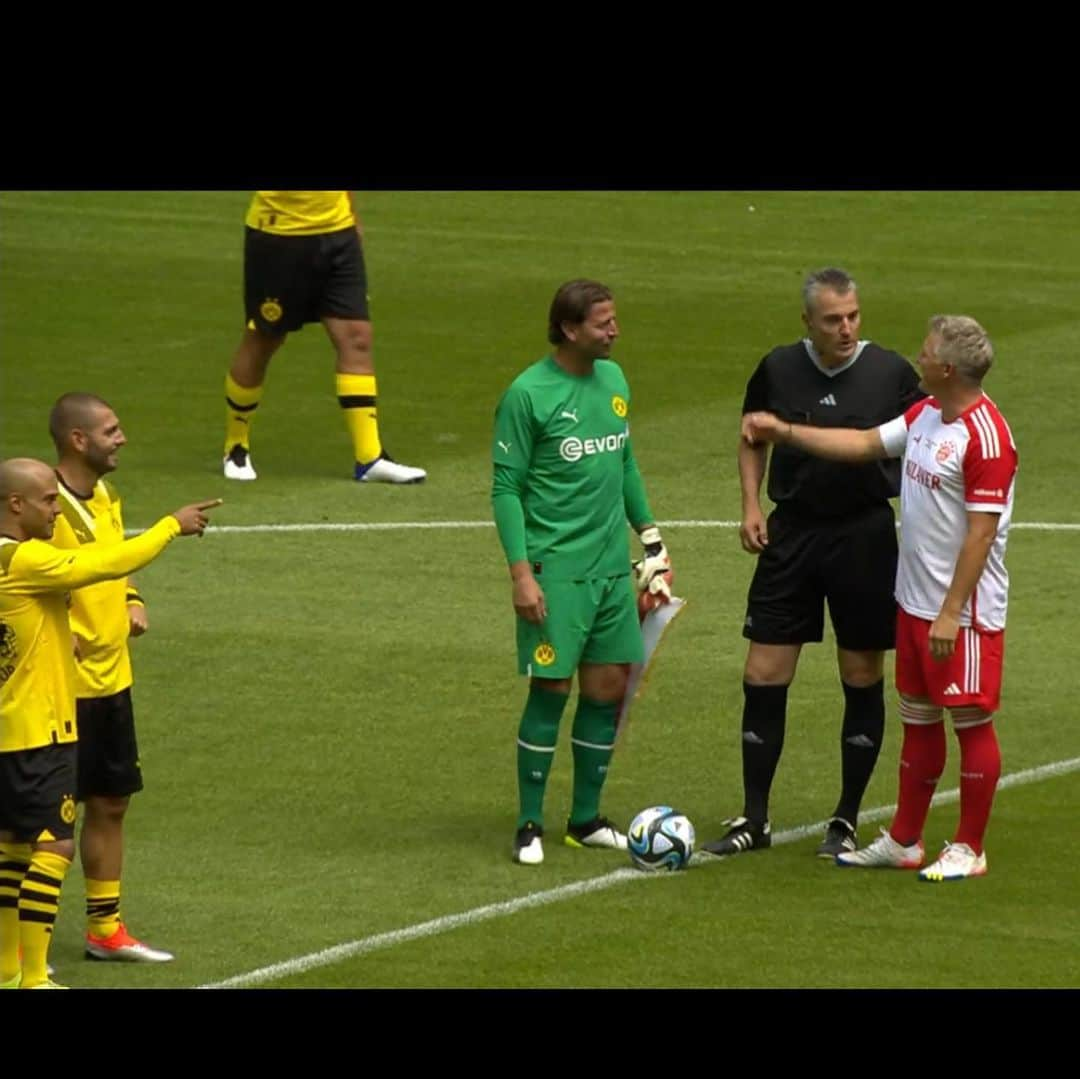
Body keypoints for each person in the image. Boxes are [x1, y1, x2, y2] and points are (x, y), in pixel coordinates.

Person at [742, 314, 1016, 882]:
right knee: (918, 719)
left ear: (946, 368)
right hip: (915, 602)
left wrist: (949, 611)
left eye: (925, 352)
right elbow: (864, 443)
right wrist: (785, 432)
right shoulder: (925, 415)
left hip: (959, 615)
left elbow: (982, 533)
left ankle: (970, 845)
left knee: (970, 722)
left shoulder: (985, 438)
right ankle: (906, 840)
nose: (917, 359)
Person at [702, 268, 923, 861]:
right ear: (808, 322)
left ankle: (846, 820)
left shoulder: (892, 373)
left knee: (860, 674)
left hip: (864, 535)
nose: (847, 327)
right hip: (792, 532)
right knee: (763, 673)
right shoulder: (777, 368)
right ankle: (754, 818)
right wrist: (751, 503)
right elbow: (752, 435)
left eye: (853, 315)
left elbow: (928, 442)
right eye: (833, 319)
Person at [0, 458, 218, 988]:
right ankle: (32, 979)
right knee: (54, 846)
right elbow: (99, 564)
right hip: (40, 730)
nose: (55, 509)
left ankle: (6, 970)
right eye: (47, 502)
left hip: (9, 729)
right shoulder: (27, 560)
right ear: (15, 505)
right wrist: (171, 526)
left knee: (10, 848)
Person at [492, 279, 672, 866]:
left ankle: (585, 819)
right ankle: (527, 823)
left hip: (610, 573)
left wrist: (650, 538)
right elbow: (505, 488)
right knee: (551, 689)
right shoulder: (528, 395)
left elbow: (624, 463)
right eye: (603, 323)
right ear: (570, 329)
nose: (615, 330)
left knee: (607, 689)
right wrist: (522, 574)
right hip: (556, 572)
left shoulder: (614, 382)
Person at [47, 393, 173, 962]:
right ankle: (24, 943)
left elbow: (112, 561)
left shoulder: (104, 495)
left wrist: (132, 597)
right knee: (44, 828)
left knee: (110, 803)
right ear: (79, 440)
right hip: (57, 689)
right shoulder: (43, 507)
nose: (121, 438)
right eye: (111, 430)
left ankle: (105, 929)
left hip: (110, 681)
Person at [221, 190, 426, 484]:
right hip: (278, 234)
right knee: (264, 339)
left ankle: (369, 457)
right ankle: (236, 445)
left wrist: (353, 218)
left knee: (357, 337)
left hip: (338, 233)